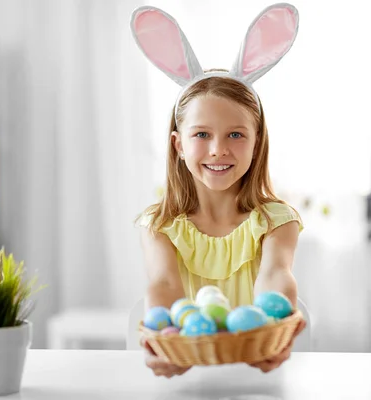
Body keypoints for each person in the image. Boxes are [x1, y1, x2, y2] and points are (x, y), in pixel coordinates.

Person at [130, 3, 306, 377]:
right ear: (178, 145)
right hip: (185, 377)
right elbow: (163, 284)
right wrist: (164, 342)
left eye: (236, 135)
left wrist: (275, 333)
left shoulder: (277, 221)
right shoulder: (158, 225)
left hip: (259, 373)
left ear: (257, 143)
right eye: (202, 135)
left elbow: (276, 277)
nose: (218, 149)